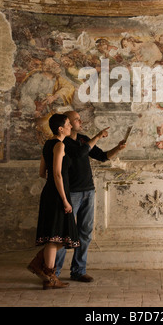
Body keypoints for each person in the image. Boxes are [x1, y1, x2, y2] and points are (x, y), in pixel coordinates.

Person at [55, 110, 126, 282]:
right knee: (65, 234)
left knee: (85, 232)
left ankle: (78, 271)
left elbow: (102, 156)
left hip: (88, 191)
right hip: (71, 193)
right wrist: (98, 136)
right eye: (77, 120)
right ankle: (53, 273)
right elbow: (81, 153)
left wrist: (118, 147)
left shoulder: (83, 139)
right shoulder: (63, 143)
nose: (80, 122)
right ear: (68, 124)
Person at [27, 113, 80, 290]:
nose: (70, 126)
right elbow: (56, 174)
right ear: (60, 128)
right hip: (58, 194)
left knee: (57, 237)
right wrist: (65, 200)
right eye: (67, 124)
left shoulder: (47, 144)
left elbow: (42, 172)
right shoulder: (58, 145)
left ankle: (40, 267)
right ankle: (50, 277)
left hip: (51, 192)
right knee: (54, 237)